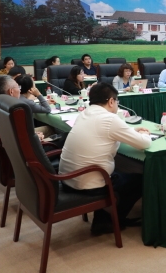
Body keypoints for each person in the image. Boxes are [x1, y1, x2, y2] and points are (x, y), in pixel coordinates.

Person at [59, 83, 152, 235]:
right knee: (138, 179)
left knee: (120, 172)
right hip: (87, 184)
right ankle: (109, 221)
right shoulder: (109, 119)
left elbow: (106, 132)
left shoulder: (84, 113)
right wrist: (145, 134)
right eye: (117, 101)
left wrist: (131, 131)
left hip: (68, 179)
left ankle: (103, 216)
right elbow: (144, 143)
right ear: (111, 101)